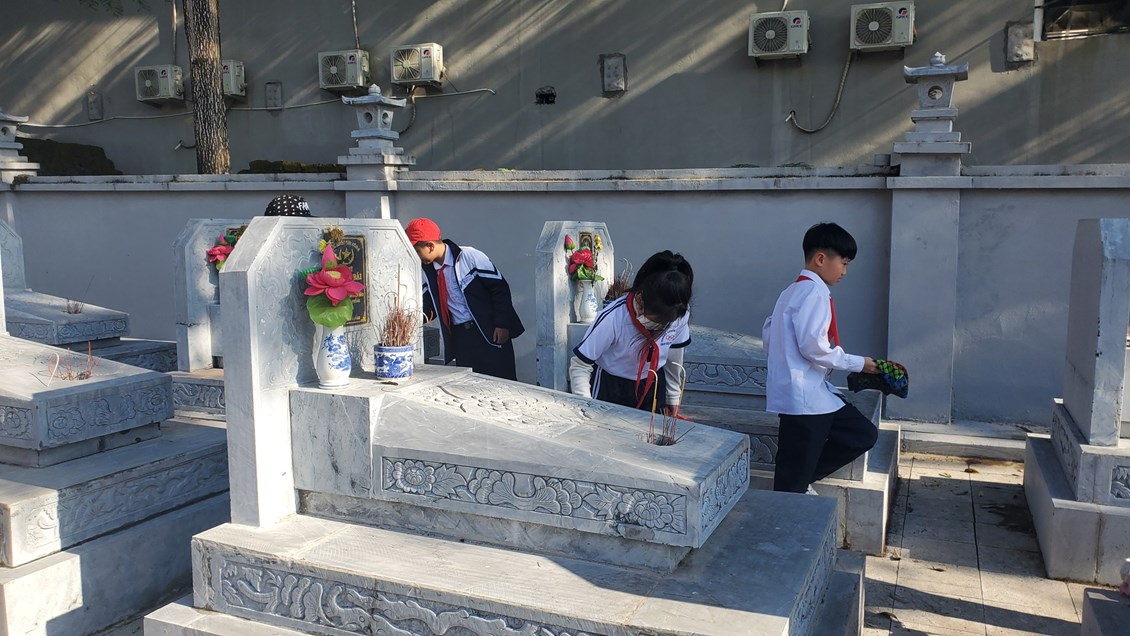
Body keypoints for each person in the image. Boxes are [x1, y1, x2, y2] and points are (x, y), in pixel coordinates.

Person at [763, 222, 880, 495]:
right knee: (790, 486)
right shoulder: (813, 293)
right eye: (843, 263)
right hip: (804, 400)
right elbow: (814, 348)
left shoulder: (791, 292)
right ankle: (795, 488)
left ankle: (802, 479)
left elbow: (768, 336)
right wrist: (859, 363)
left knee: (862, 434)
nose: (844, 271)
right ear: (820, 259)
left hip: (813, 395)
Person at [569, 251, 693, 412]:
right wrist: (586, 407)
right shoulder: (614, 318)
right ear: (640, 299)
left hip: (652, 383)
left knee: (650, 427)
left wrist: (673, 396)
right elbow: (580, 365)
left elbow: (674, 356)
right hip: (611, 385)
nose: (657, 331)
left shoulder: (678, 313)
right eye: (654, 324)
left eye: (664, 326)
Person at [405, 217, 524, 380]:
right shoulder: (427, 271)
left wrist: (502, 324)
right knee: (469, 385)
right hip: (461, 337)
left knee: (502, 382)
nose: (416, 256)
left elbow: (499, 288)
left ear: (430, 246)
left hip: (489, 330)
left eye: (417, 251)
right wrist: (411, 321)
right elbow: (430, 305)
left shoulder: (468, 256)